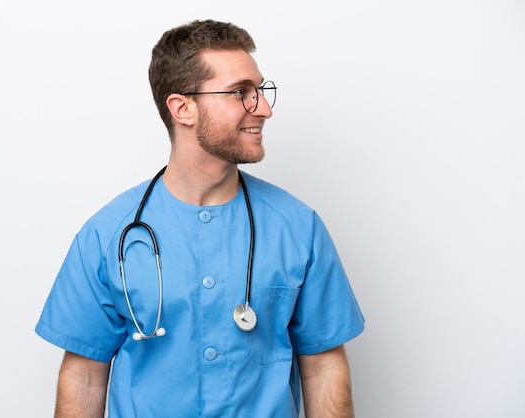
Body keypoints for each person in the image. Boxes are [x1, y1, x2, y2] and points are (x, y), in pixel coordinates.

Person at [35, 19, 365, 418]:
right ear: (183, 108)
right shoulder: (107, 235)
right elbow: (85, 376)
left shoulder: (297, 228)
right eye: (240, 92)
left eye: (260, 90)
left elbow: (323, 367)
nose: (264, 108)